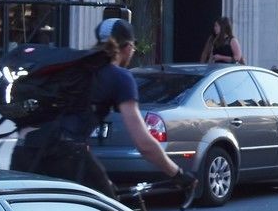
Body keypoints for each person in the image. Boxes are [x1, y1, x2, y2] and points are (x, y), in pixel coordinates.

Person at [12, 18, 186, 197]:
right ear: (127, 48)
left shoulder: (76, 65)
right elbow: (144, 144)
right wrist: (178, 174)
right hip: (63, 155)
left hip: (25, 150)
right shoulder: (120, 77)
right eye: (133, 47)